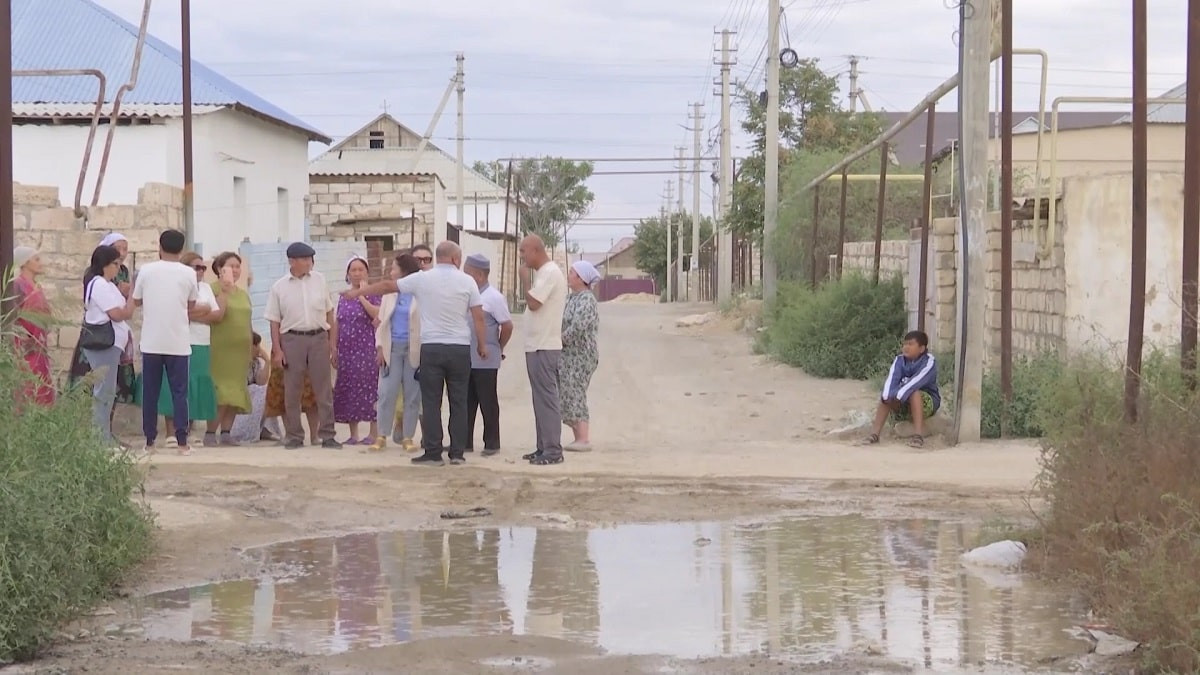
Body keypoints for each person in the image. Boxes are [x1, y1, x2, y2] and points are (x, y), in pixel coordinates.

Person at [346, 241, 487, 466]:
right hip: (459, 347)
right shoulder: (467, 281)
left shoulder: (422, 278)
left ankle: (433, 452)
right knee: (459, 401)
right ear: (455, 259)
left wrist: (359, 291)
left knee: (431, 401)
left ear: (438, 258)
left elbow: (386, 286)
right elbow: (478, 316)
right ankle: (457, 453)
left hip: (431, 347)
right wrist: (482, 345)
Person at [265, 242, 341, 450]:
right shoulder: (279, 287)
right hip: (292, 339)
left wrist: (332, 343)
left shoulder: (320, 280)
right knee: (293, 389)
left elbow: (329, 313)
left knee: (323, 388)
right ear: (292, 261)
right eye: (305, 259)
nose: (309, 263)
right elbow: (274, 320)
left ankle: (328, 435)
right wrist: (278, 350)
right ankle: (294, 435)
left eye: (310, 259)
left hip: (318, 337)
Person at [133, 229, 199, 454]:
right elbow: (191, 304)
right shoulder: (188, 273)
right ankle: (182, 442)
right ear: (181, 250)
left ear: (159, 247)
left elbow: (137, 299)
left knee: (150, 392)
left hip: (151, 341)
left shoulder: (147, 271)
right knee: (179, 393)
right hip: (178, 341)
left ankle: (150, 441)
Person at [68, 232, 137, 412]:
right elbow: (116, 310)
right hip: (101, 337)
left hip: (114, 339)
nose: (122, 253)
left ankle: (105, 429)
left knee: (109, 387)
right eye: (117, 249)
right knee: (95, 385)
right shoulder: (96, 279)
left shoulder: (122, 272)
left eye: (125, 249)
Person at [517, 235, 568, 466]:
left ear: (536, 250)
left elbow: (534, 303)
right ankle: (543, 447)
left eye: (523, 251)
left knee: (546, 399)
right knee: (539, 399)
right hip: (536, 345)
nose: (521, 256)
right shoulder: (544, 274)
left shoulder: (549, 272)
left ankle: (553, 450)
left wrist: (525, 282)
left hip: (545, 346)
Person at [157, 252, 218, 448]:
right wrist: (202, 310)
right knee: (175, 384)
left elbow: (215, 314)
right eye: (196, 267)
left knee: (195, 386)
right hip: (179, 340)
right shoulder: (177, 287)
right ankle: (170, 431)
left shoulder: (206, 288)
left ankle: (187, 429)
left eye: (203, 267)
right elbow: (177, 311)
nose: (200, 271)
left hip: (201, 341)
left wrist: (196, 312)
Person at [78, 245, 135, 449]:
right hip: (104, 344)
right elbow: (118, 313)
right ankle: (100, 438)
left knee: (107, 390)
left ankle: (104, 435)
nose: (118, 269)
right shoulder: (99, 284)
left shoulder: (108, 284)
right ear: (105, 264)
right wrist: (131, 304)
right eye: (115, 264)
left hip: (113, 344)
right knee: (104, 391)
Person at [368, 252, 423, 453]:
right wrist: (380, 348)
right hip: (392, 349)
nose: (390, 272)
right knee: (386, 393)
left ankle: (408, 437)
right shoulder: (389, 293)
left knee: (412, 395)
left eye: (393, 268)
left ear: (405, 272)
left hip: (413, 350)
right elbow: (381, 323)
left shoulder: (420, 293)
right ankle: (381, 435)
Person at [463, 253, 513, 457]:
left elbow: (507, 325)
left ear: (480, 275)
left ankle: (491, 443)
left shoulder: (494, 297)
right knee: (466, 402)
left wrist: (498, 347)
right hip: (465, 358)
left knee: (487, 402)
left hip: (485, 358)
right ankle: (464, 442)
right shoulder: (466, 294)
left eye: (468, 274)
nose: (465, 277)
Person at [862, 330, 940, 449]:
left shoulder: (929, 361)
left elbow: (917, 381)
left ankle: (918, 435)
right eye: (905, 344)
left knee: (914, 392)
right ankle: (874, 434)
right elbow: (891, 381)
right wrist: (888, 397)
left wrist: (899, 395)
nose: (906, 347)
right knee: (885, 397)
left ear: (921, 348)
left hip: (926, 403)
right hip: (902, 400)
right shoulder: (899, 360)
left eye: (911, 344)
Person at [333, 255, 382, 444]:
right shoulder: (344, 297)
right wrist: (334, 348)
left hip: (367, 349)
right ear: (347, 274)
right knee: (349, 388)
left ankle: (373, 433)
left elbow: (375, 315)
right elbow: (338, 322)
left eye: (360, 269)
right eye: (353, 270)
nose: (356, 273)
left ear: (367, 273)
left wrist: (361, 295)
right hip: (347, 349)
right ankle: (353, 434)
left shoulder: (374, 294)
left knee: (370, 389)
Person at [207, 251, 254, 446]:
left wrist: (251, 347)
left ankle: (227, 432)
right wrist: (224, 292)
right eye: (230, 266)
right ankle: (210, 432)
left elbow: (248, 321)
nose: (235, 270)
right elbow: (217, 315)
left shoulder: (243, 294)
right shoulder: (211, 290)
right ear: (219, 268)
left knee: (236, 389)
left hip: (240, 351)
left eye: (237, 266)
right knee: (221, 391)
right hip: (220, 348)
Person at [560, 260, 601, 452]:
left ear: (581, 278)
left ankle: (583, 438)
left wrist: (561, 339)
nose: (568, 275)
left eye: (571, 273)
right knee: (568, 392)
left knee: (576, 391)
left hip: (581, 354)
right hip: (568, 354)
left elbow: (578, 327)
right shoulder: (570, 298)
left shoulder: (586, 300)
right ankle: (577, 437)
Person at [9, 246, 55, 405]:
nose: (40, 263)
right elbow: (12, 316)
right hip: (25, 347)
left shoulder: (37, 286)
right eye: (36, 259)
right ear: (25, 262)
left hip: (40, 345)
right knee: (27, 388)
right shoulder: (18, 285)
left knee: (42, 387)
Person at [229, 332, 282, 444]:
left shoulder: (255, 363)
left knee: (267, 391)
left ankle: (265, 428)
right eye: (256, 345)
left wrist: (267, 361)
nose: (259, 348)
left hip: (253, 394)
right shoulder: (237, 361)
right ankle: (248, 429)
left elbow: (261, 381)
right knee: (261, 391)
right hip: (243, 394)